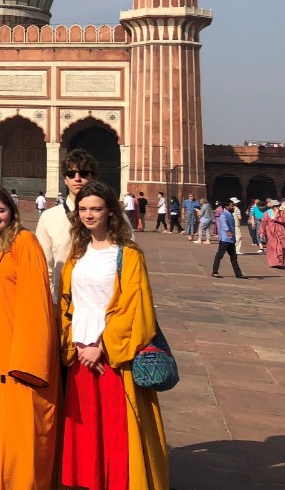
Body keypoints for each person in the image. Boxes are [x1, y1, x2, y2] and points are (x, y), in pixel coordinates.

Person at [58, 182, 168, 489]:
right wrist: (73, 342)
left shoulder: (127, 255)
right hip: (79, 355)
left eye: (95, 209)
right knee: (87, 431)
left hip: (114, 358)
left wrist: (101, 346)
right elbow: (67, 303)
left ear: (110, 212)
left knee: (118, 429)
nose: (89, 215)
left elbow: (136, 309)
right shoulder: (77, 254)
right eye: (83, 209)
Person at [0, 186, 58, 489]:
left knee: (20, 427)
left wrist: (29, 359)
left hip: (16, 353)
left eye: (0, 210)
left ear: (12, 213)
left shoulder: (24, 243)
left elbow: (37, 301)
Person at [36, 149, 99, 300]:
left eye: (83, 173)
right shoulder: (50, 217)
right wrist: (52, 301)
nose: (77, 178)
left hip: (101, 300)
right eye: (71, 174)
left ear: (93, 177)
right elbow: (45, 265)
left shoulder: (113, 216)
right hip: (63, 298)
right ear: (65, 179)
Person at [212, 199, 246, 279]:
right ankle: (215, 271)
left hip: (231, 239)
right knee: (219, 255)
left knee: (233, 257)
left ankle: (238, 274)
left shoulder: (230, 214)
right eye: (231, 206)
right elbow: (224, 223)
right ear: (226, 206)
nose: (233, 207)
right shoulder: (224, 214)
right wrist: (227, 231)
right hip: (225, 239)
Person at [260, 200, 285, 268]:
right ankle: (274, 263)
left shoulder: (282, 213)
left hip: (281, 232)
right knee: (272, 247)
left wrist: (277, 215)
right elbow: (263, 223)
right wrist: (262, 232)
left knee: (282, 247)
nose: (276, 208)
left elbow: (284, 220)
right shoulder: (267, 213)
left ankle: (281, 262)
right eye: (275, 206)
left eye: (277, 206)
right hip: (270, 233)